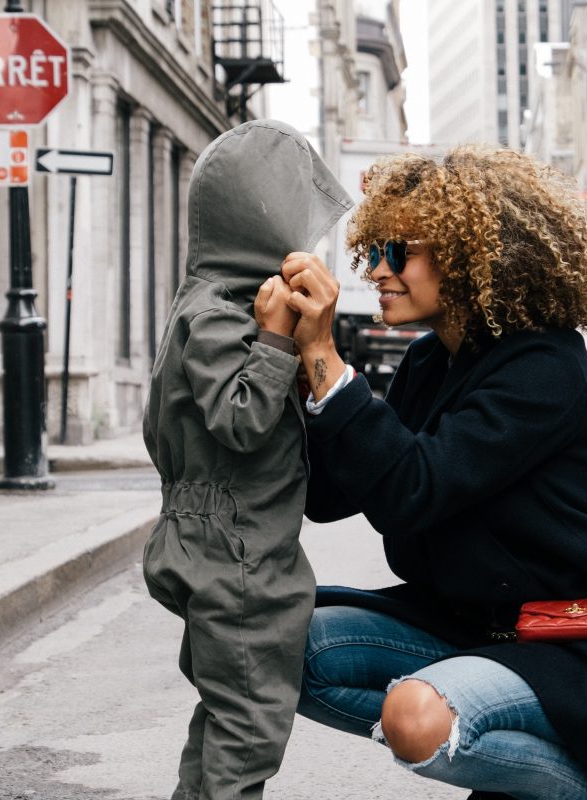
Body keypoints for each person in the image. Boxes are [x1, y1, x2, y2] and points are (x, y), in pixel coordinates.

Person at [281, 145, 587, 800]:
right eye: (374, 250)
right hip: (474, 631)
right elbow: (331, 495)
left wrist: (327, 356)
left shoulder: (544, 370)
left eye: (399, 252)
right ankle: (504, 757)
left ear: (470, 257)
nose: (377, 270)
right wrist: (300, 371)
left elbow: (411, 490)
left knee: (414, 718)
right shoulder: (429, 364)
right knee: (277, 650)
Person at [141, 120, 352, 800]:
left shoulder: (208, 304)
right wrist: (276, 340)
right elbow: (241, 419)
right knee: (249, 728)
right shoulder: (222, 316)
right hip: (236, 551)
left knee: (226, 715)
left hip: (215, 539)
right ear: (261, 221)